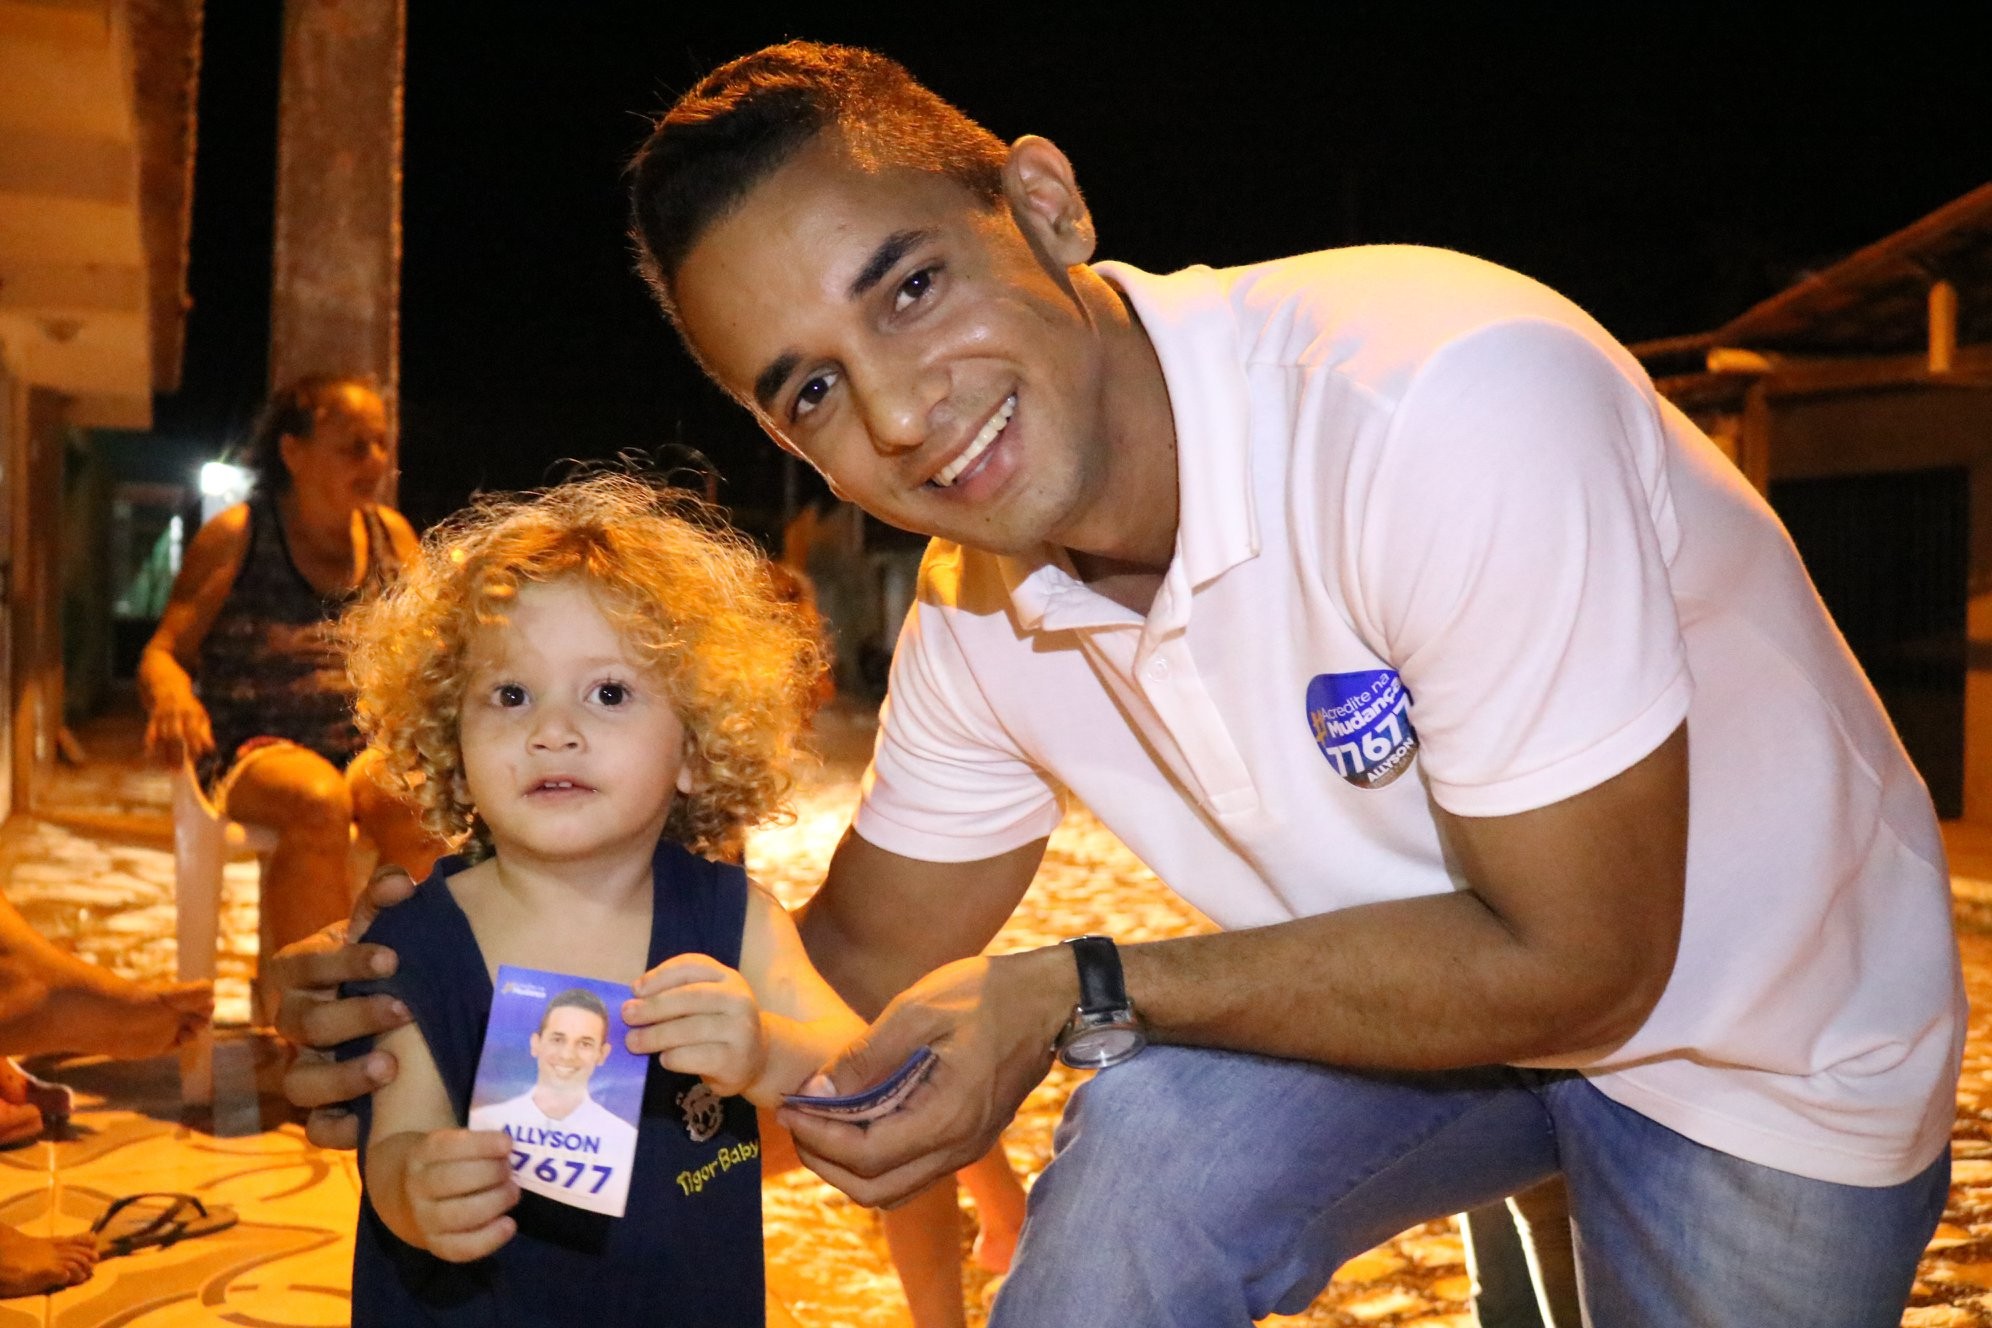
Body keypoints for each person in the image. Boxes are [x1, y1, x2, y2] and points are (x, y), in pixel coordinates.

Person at [283, 40, 1963, 1328]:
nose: (896, 417)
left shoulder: (1439, 403)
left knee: (1124, 1042)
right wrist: (471, 1001)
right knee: (1139, 1162)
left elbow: (1585, 961)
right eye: (808, 391)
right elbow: (846, 965)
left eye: (912, 288)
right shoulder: (977, 612)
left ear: (1044, 207)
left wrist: (1070, 987)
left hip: (1749, 1037)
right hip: (1419, 1010)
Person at [336, 473, 863, 1324]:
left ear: (694, 746)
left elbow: (858, 1066)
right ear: (450, 737)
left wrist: (770, 1056)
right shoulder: (418, 943)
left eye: (609, 693)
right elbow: (395, 1140)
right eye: (511, 695)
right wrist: (414, 1187)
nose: (553, 729)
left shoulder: (737, 923)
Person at [138, 375, 444, 979]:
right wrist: (172, 694)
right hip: (258, 748)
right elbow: (164, 651)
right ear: (292, 451)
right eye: (352, 445)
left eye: (380, 444)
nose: (374, 461)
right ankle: (312, 1020)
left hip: (366, 741)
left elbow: (432, 648)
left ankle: (422, 999)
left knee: (415, 804)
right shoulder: (240, 534)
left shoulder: (392, 537)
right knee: (315, 801)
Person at [466, 989, 641, 1215]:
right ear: (536, 1044)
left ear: (602, 1054)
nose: (568, 1055)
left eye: (585, 1043)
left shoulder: (623, 1139)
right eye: (558, 1039)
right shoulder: (485, 1122)